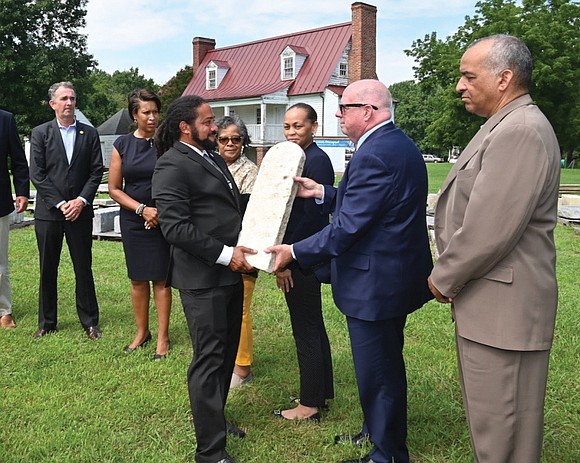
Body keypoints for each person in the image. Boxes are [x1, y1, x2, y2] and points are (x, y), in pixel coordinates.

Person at [266, 79, 433, 463]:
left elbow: (348, 229)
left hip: (375, 283)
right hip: (392, 276)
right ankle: (376, 431)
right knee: (383, 365)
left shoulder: (375, 153)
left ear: (369, 111)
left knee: (379, 372)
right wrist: (325, 192)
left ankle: (387, 453)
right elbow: (375, 204)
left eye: (346, 107)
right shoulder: (394, 144)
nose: (339, 115)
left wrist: (294, 249)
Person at [427, 35, 561, 463]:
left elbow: (490, 228)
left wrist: (443, 276)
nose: (459, 86)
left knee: (504, 429)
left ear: (504, 79)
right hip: (494, 306)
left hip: (504, 309)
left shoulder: (519, 130)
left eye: (469, 76)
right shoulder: (507, 125)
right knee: (495, 425)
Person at [151, 96, 256, 463]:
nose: (215, 127)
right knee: (209, 359)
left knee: (225, 353)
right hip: (204, 278)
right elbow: (176, 228)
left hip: (228, 273)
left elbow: (227, 209)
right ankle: (210, 452)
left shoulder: (208, 156)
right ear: (185, 126)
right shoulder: (171, 165)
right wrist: (228, 256)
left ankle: (215, 420)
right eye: (209, 121)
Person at [272, 103, 335, 421]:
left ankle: (309, 405)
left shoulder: (317, 160)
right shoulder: (293, 157)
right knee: (313, 324)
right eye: (287, 126)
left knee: (305, 329)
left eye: (298, 126)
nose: (292, 132)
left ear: (314, 126)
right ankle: (322, 392)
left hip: (301, 257)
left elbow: (310, 220)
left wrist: (286, 263)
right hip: (300, 255)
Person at [30, 81, 103, 339]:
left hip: (80, 213)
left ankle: (90, 321)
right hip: (49, 213)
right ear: (53, 104)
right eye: (64, 99)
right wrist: (62, 203)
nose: (69, 103)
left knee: (83, 267)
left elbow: (96, 172)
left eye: (72, 98)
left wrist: (81, 201)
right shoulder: (40, 133)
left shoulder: (89, 134)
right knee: (47, 267)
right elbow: (37, 174)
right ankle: (47, 322)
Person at [108, 89, 172, 359]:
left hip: (163, 218)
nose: (152, 117)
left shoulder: (167, 143)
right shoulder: (122, 144)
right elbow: (114, 189)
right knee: (137, 279)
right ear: (135, 115)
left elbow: (175, 181)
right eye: (146, 112)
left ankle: (163, 337)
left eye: (156, 111)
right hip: (134, 218)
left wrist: (159, 212)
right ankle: (141, 332)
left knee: (161, 279)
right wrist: (142, 210)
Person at [216, 115, 259, 388]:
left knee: (241, 309)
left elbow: (252, 216)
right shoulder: (211, 166)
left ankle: (242, 368)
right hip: (218, 250)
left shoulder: (250, 172)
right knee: (222, 309)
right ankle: (226, 358)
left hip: (243, 248)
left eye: (236, 139)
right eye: (223, 139)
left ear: (244, 142)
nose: (230, 144)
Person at [0, 109, 29, 329]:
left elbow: (19, 161)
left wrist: (21, 191)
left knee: (0, 262)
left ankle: (4, 311)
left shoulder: (5, 119)